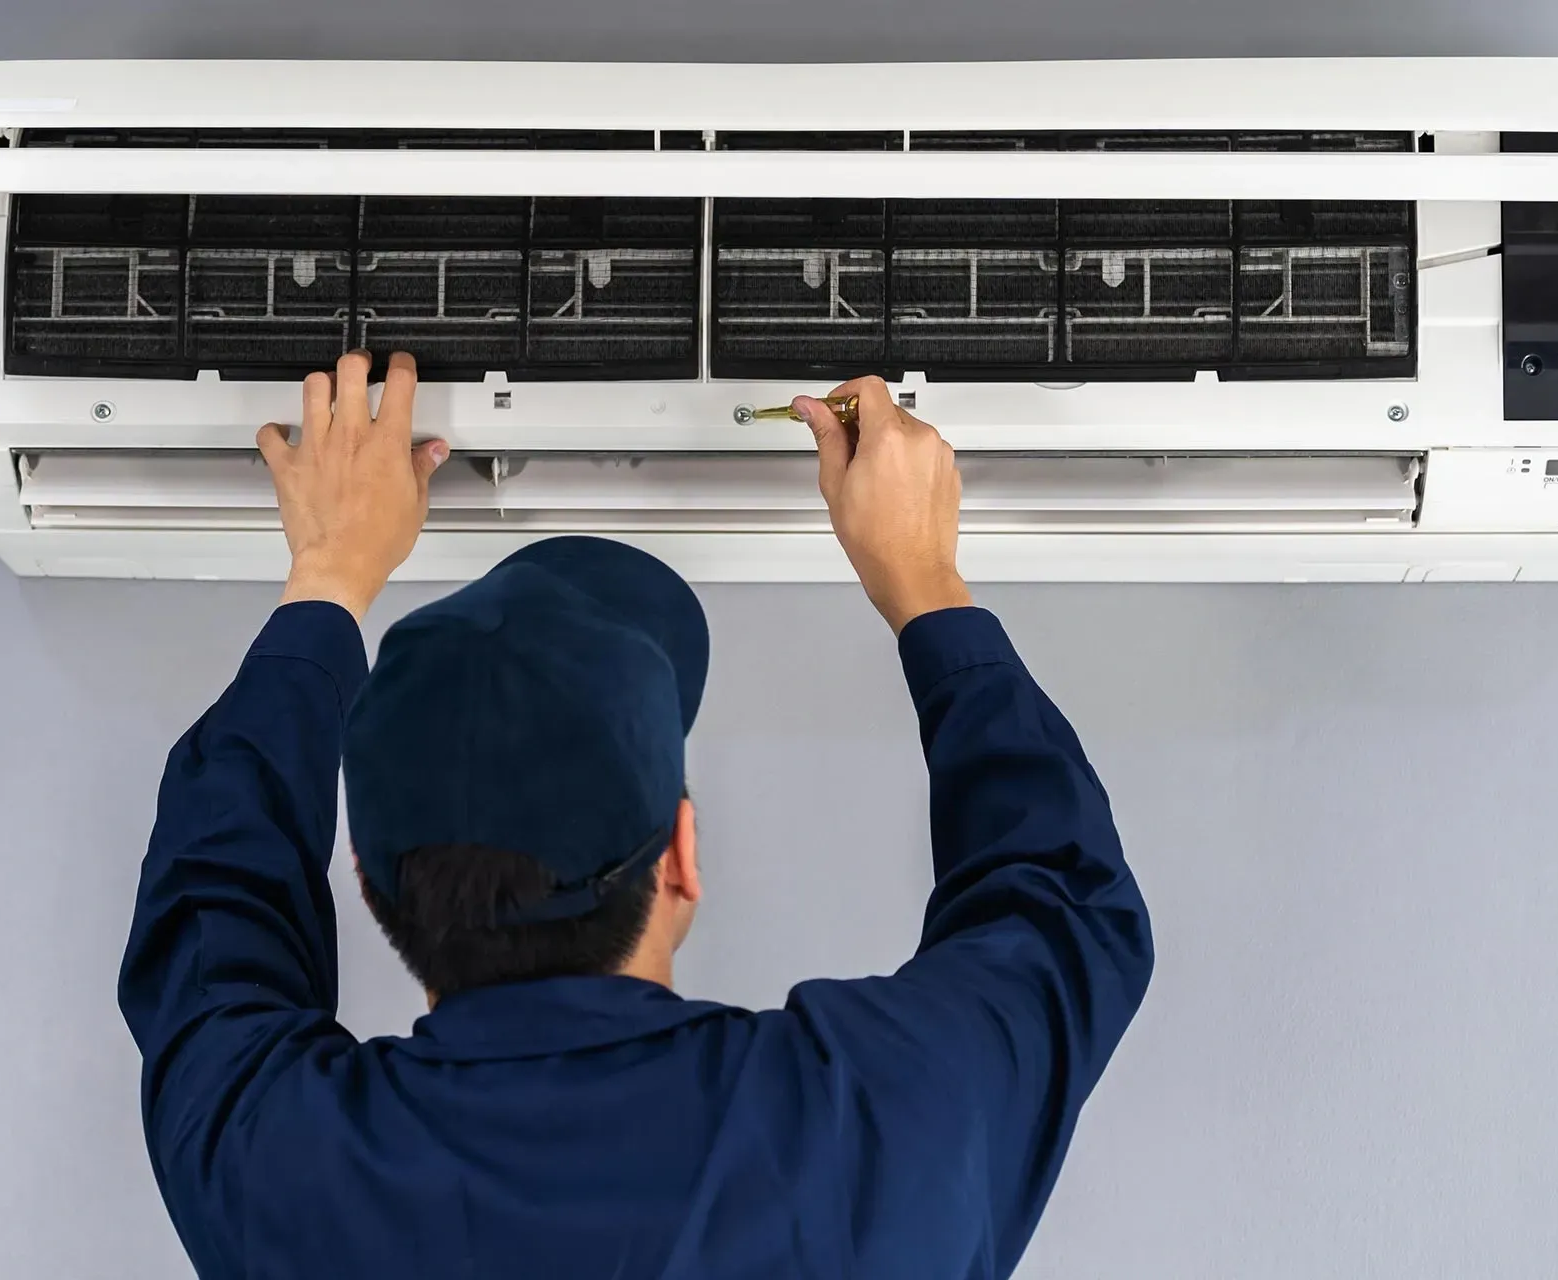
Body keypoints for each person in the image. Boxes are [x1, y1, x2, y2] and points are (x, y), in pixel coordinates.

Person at [118, 350, 1153, 1279]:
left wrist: (329, 578)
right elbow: (1066, 906)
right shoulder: (878, 1129)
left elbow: (217, 900)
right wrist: (920, 573)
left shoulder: (276, 1172)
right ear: (682, 858)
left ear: (364, 875)